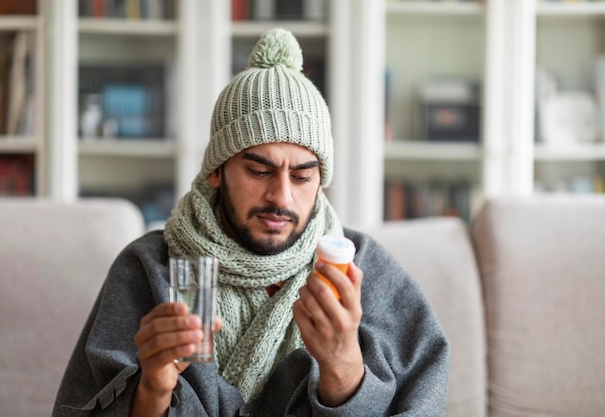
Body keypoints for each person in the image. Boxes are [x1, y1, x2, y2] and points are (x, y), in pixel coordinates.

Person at [52, 28, 449, 417]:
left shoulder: (364, 272)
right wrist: (152, 389)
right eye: (259, 171)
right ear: (216, 171)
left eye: (302, 175)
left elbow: (425, 397)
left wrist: (343, 367)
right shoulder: (152, 269)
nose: (281, 197)